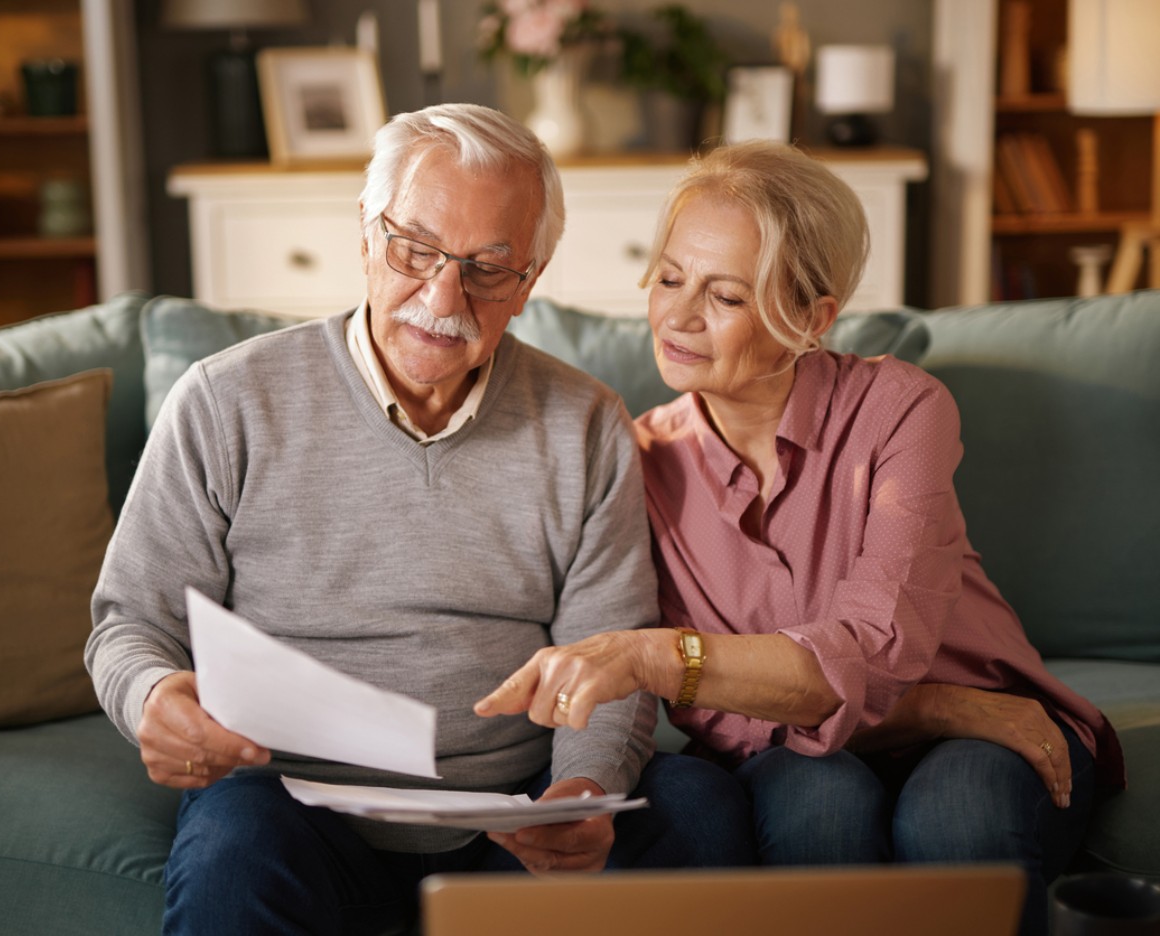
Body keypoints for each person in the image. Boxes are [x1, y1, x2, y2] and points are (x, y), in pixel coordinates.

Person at [86, 104, 753, 936]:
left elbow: (607, 657)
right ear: (367, 236)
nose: (442, 296)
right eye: (415, 249)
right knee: (233, 843)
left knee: (697, 806)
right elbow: (130, 621)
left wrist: (581, 792)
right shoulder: (226, 401)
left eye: (487, 269)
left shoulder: (585, 423)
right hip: (293, 805)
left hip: (512, 821)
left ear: (529, 282)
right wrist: (152, 697)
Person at [476, 140, 1125, 936]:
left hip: (990, 729)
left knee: (956, 815)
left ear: (813, 319)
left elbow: (875, 649)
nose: (678, 316)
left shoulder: (902, 410)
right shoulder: (637, 463)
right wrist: (939, 707)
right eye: (670, 278)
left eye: (725, 295)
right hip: (883, 732)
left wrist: (695, 667)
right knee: (818, 801)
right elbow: (726, 723)